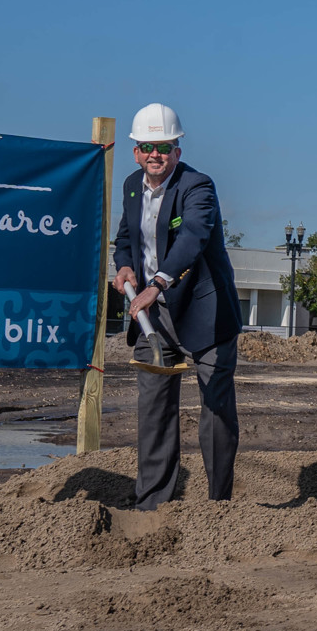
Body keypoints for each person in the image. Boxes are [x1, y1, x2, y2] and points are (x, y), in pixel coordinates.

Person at [111, 103, 243, 510]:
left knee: (216, 407)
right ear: (136, 151)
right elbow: (125, 239)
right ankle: (152, 503)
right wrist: (125, 266)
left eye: (164, 147)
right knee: (154, 409)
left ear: (177, 151)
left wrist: (158, 282)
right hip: (154, 317)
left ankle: (217, 504)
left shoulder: (198, 186)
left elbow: (192, 238)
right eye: (148, 147)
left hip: (205, 310)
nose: (156, 155)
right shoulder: (132, 185)